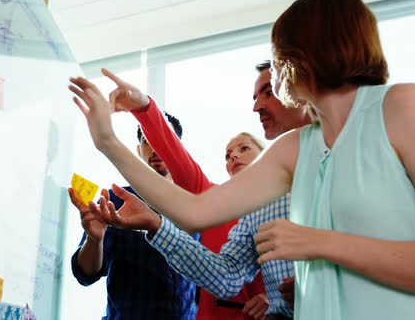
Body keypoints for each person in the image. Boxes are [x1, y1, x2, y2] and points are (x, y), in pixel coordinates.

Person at [69, 0, 415, 319]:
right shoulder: (294, 149)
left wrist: (322, 244)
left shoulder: (403, 106)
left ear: (306, 53)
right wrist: (108, 143)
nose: (271, 78)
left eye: (277, 60)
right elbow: (196, 210)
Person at [86, 63, 309, 319]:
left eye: (244, 149)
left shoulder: (334, 152)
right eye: (227, 154)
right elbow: (226, 275)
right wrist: (156, 224)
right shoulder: (240, 206)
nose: (234, 155)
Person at [69, 111, 199, 320]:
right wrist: (95, 239)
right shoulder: (115, 200)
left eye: (165, 138)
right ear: (139, 151)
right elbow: (85, 274)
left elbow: (206, 282)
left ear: (180, 149)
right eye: (148, 141)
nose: (156, 146)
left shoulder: (197, 205)